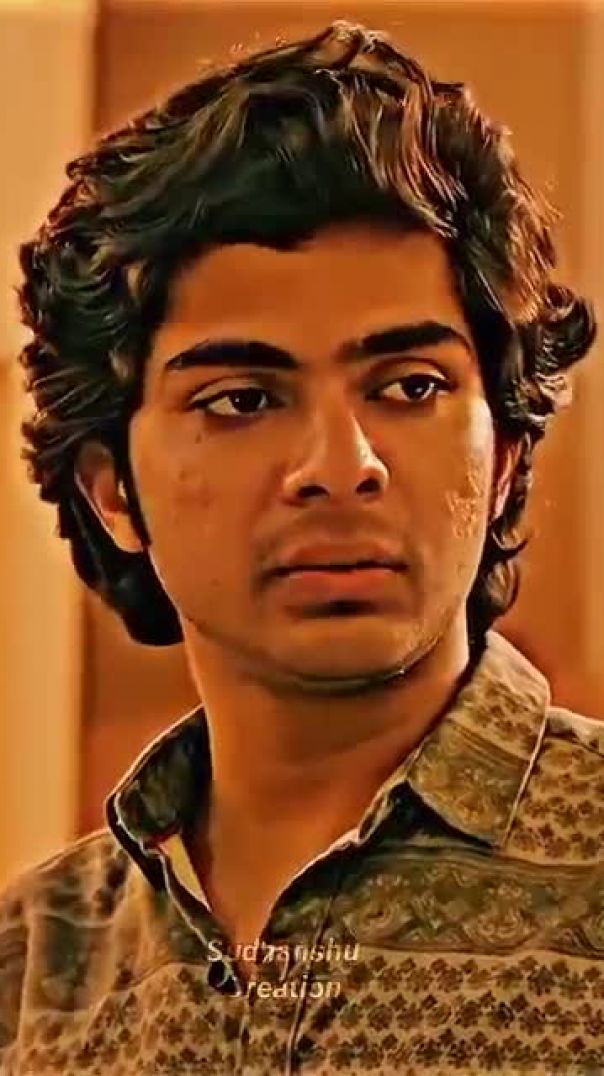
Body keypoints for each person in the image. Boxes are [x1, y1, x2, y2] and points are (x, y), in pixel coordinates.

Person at [0, 17, 600, 1075]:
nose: (340, 464)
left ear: (505, 452)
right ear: (114, 490)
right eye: (242, 399)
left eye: (409, 386)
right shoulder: (30, 968)